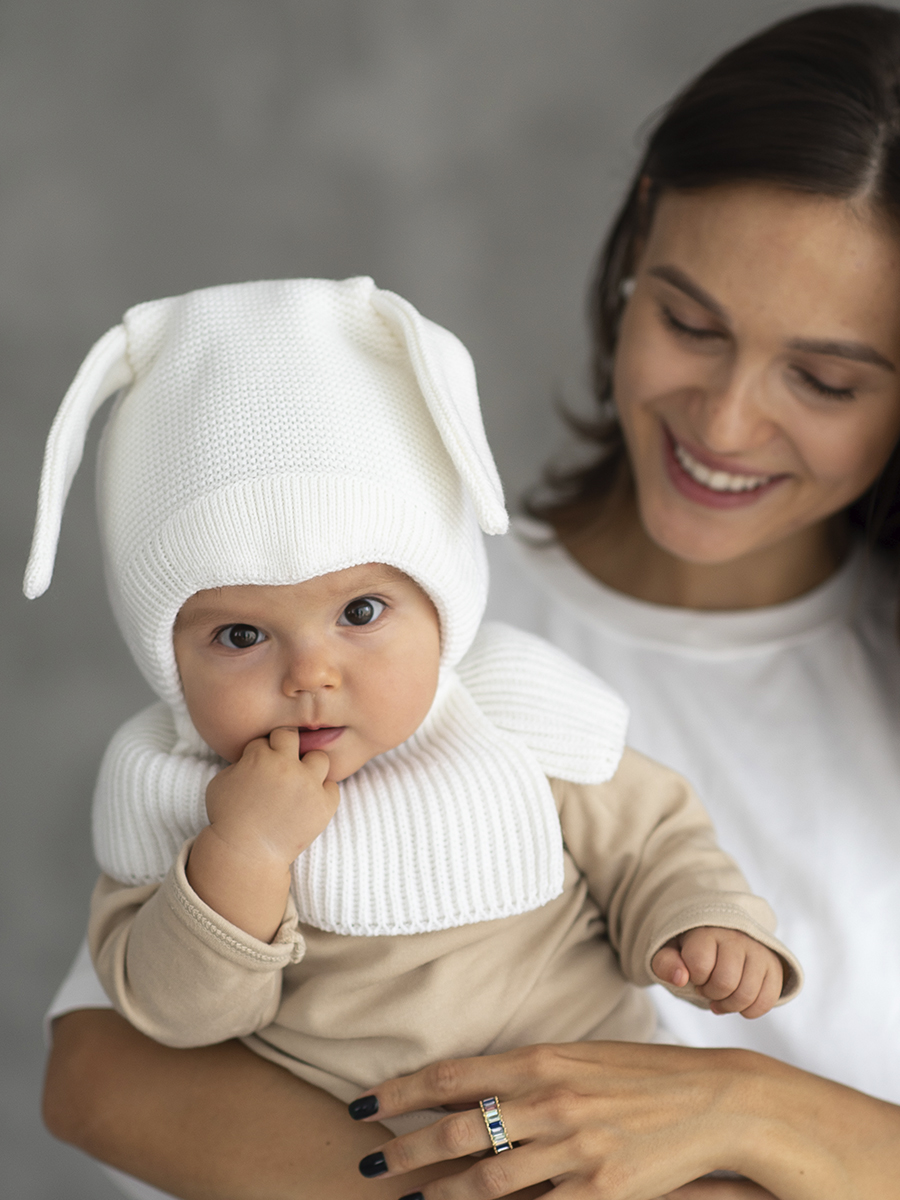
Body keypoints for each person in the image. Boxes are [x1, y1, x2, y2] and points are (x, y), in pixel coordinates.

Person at [39, 5, 900, 1198]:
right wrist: (509, 1168)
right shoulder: (392, 624)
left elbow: (658, 848)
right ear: (637, 238)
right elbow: (100, 1074)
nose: (726, 421)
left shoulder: (535, 712)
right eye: (689, 323)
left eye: (825, 377)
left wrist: (748, 1109)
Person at [30, 277, 796, 1198]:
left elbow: (655, 840)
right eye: (240, 636)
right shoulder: (172, 794)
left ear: (444, 612)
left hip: (607, 1130)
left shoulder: (513, 719)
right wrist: (243, 851)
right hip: (348, 1152)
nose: (310, 674)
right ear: (169, 663)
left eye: (360, 611)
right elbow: (173, 1020)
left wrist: (702, 924)